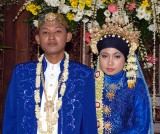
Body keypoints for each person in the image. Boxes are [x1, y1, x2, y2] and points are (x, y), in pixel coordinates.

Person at [2, 12, 97, 134]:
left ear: (68, 36)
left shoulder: (83, 75)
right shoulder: (22, 73)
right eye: (45, 32)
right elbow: (10, 119)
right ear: (38, 39)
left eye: (58, 31)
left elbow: (89, 124)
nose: (51, 37)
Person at [89, 14, 154, 134]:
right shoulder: (89, 83)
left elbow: (141, 126)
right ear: (98, 58)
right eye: (104, 56)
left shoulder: (135, 86)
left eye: (117, 56)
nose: (110, 62)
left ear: (126, 59)